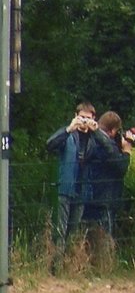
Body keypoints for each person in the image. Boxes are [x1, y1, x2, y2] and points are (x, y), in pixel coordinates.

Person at [45, 102, 104, 270]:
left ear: (93, 119)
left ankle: (69, 266)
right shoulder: (69, 134)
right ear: (75, 116)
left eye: (88, 118)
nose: (84, 121)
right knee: (60, 230)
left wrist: (97, 131)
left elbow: (109, 151)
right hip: (65, 188)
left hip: (83, 191)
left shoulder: (95, 139)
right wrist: (69, 129)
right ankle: (55, 267)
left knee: (73, 231)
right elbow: (50, 145)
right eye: (82, 117)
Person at [84, 112, 134, 238]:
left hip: (90, 197)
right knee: (104, 239)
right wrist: (127, 151)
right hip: (104, 199)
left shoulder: (91, 139)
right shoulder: (105, 145)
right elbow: (120, 167)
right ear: (112, 131)